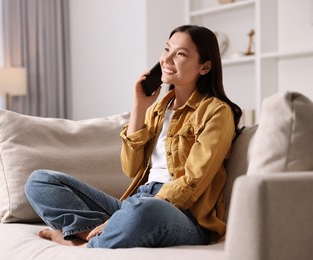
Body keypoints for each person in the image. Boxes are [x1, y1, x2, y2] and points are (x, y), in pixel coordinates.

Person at [24, 25, 242, 248]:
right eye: (167, 49)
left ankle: (83, 244)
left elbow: (193, 181)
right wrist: (139, 106)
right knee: (40, 181)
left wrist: (142, 207)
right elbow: (130, 168)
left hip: (183, 215)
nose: (167, 59)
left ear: (204, 67)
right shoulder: (157, 111)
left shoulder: (217, 112)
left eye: (180, 54)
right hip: (136, 203)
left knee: (145, 210)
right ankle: (100, 231)